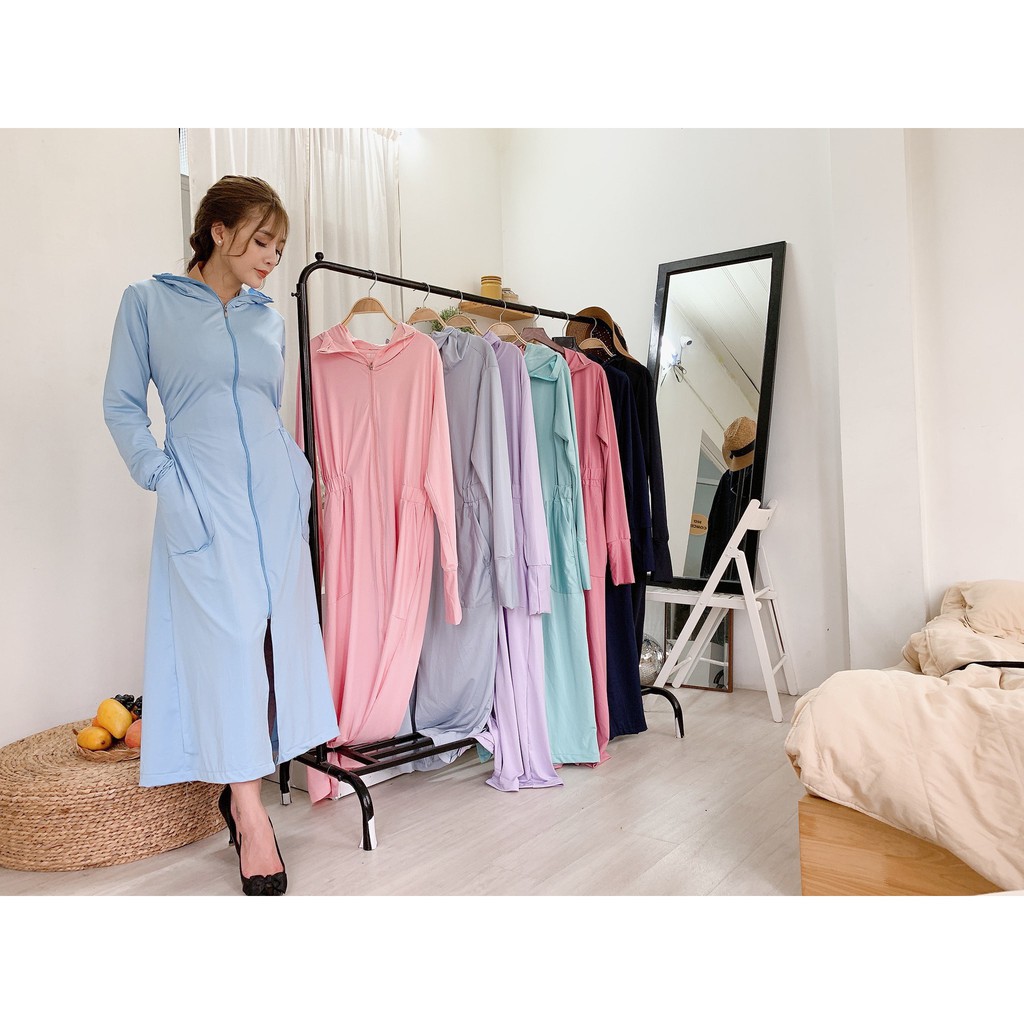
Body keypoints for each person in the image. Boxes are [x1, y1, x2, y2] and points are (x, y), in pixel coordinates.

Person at [102, 176, 338, 895]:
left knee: (273, 645)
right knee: (230, 645)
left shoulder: (269, 318)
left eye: (280, 248)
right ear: (218, 231)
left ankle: (244, 796)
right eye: (262, 241)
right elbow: (120, 404)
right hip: (202, 499)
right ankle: (249, 810)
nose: (272, 258)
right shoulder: (148, 302)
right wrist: (161, 476)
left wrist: (296, 475)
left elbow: (265, 406)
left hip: (273, 498)